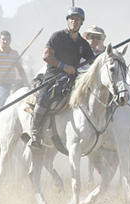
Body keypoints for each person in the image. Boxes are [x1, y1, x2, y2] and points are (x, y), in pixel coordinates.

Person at [28, 7, 95, 149]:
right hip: (53, 77)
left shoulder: (83, 44)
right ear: (67, 20)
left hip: (72, 79)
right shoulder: (57, 37)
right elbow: (46, 56)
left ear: (81, 23)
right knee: (44, 98)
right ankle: (35, 133)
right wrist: (64, 66)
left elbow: (93, 61)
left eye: (78, 20)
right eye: (72, 19)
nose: (74, 22)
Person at [0, 30, 28, 106]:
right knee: (4, 102)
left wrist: (26, 82)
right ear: (0, 40)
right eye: (3, 39)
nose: (5, 41)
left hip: (12, 82)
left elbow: (20, 69)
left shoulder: (14, 53)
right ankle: (1, 115)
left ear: (10, 40)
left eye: (7, 39)